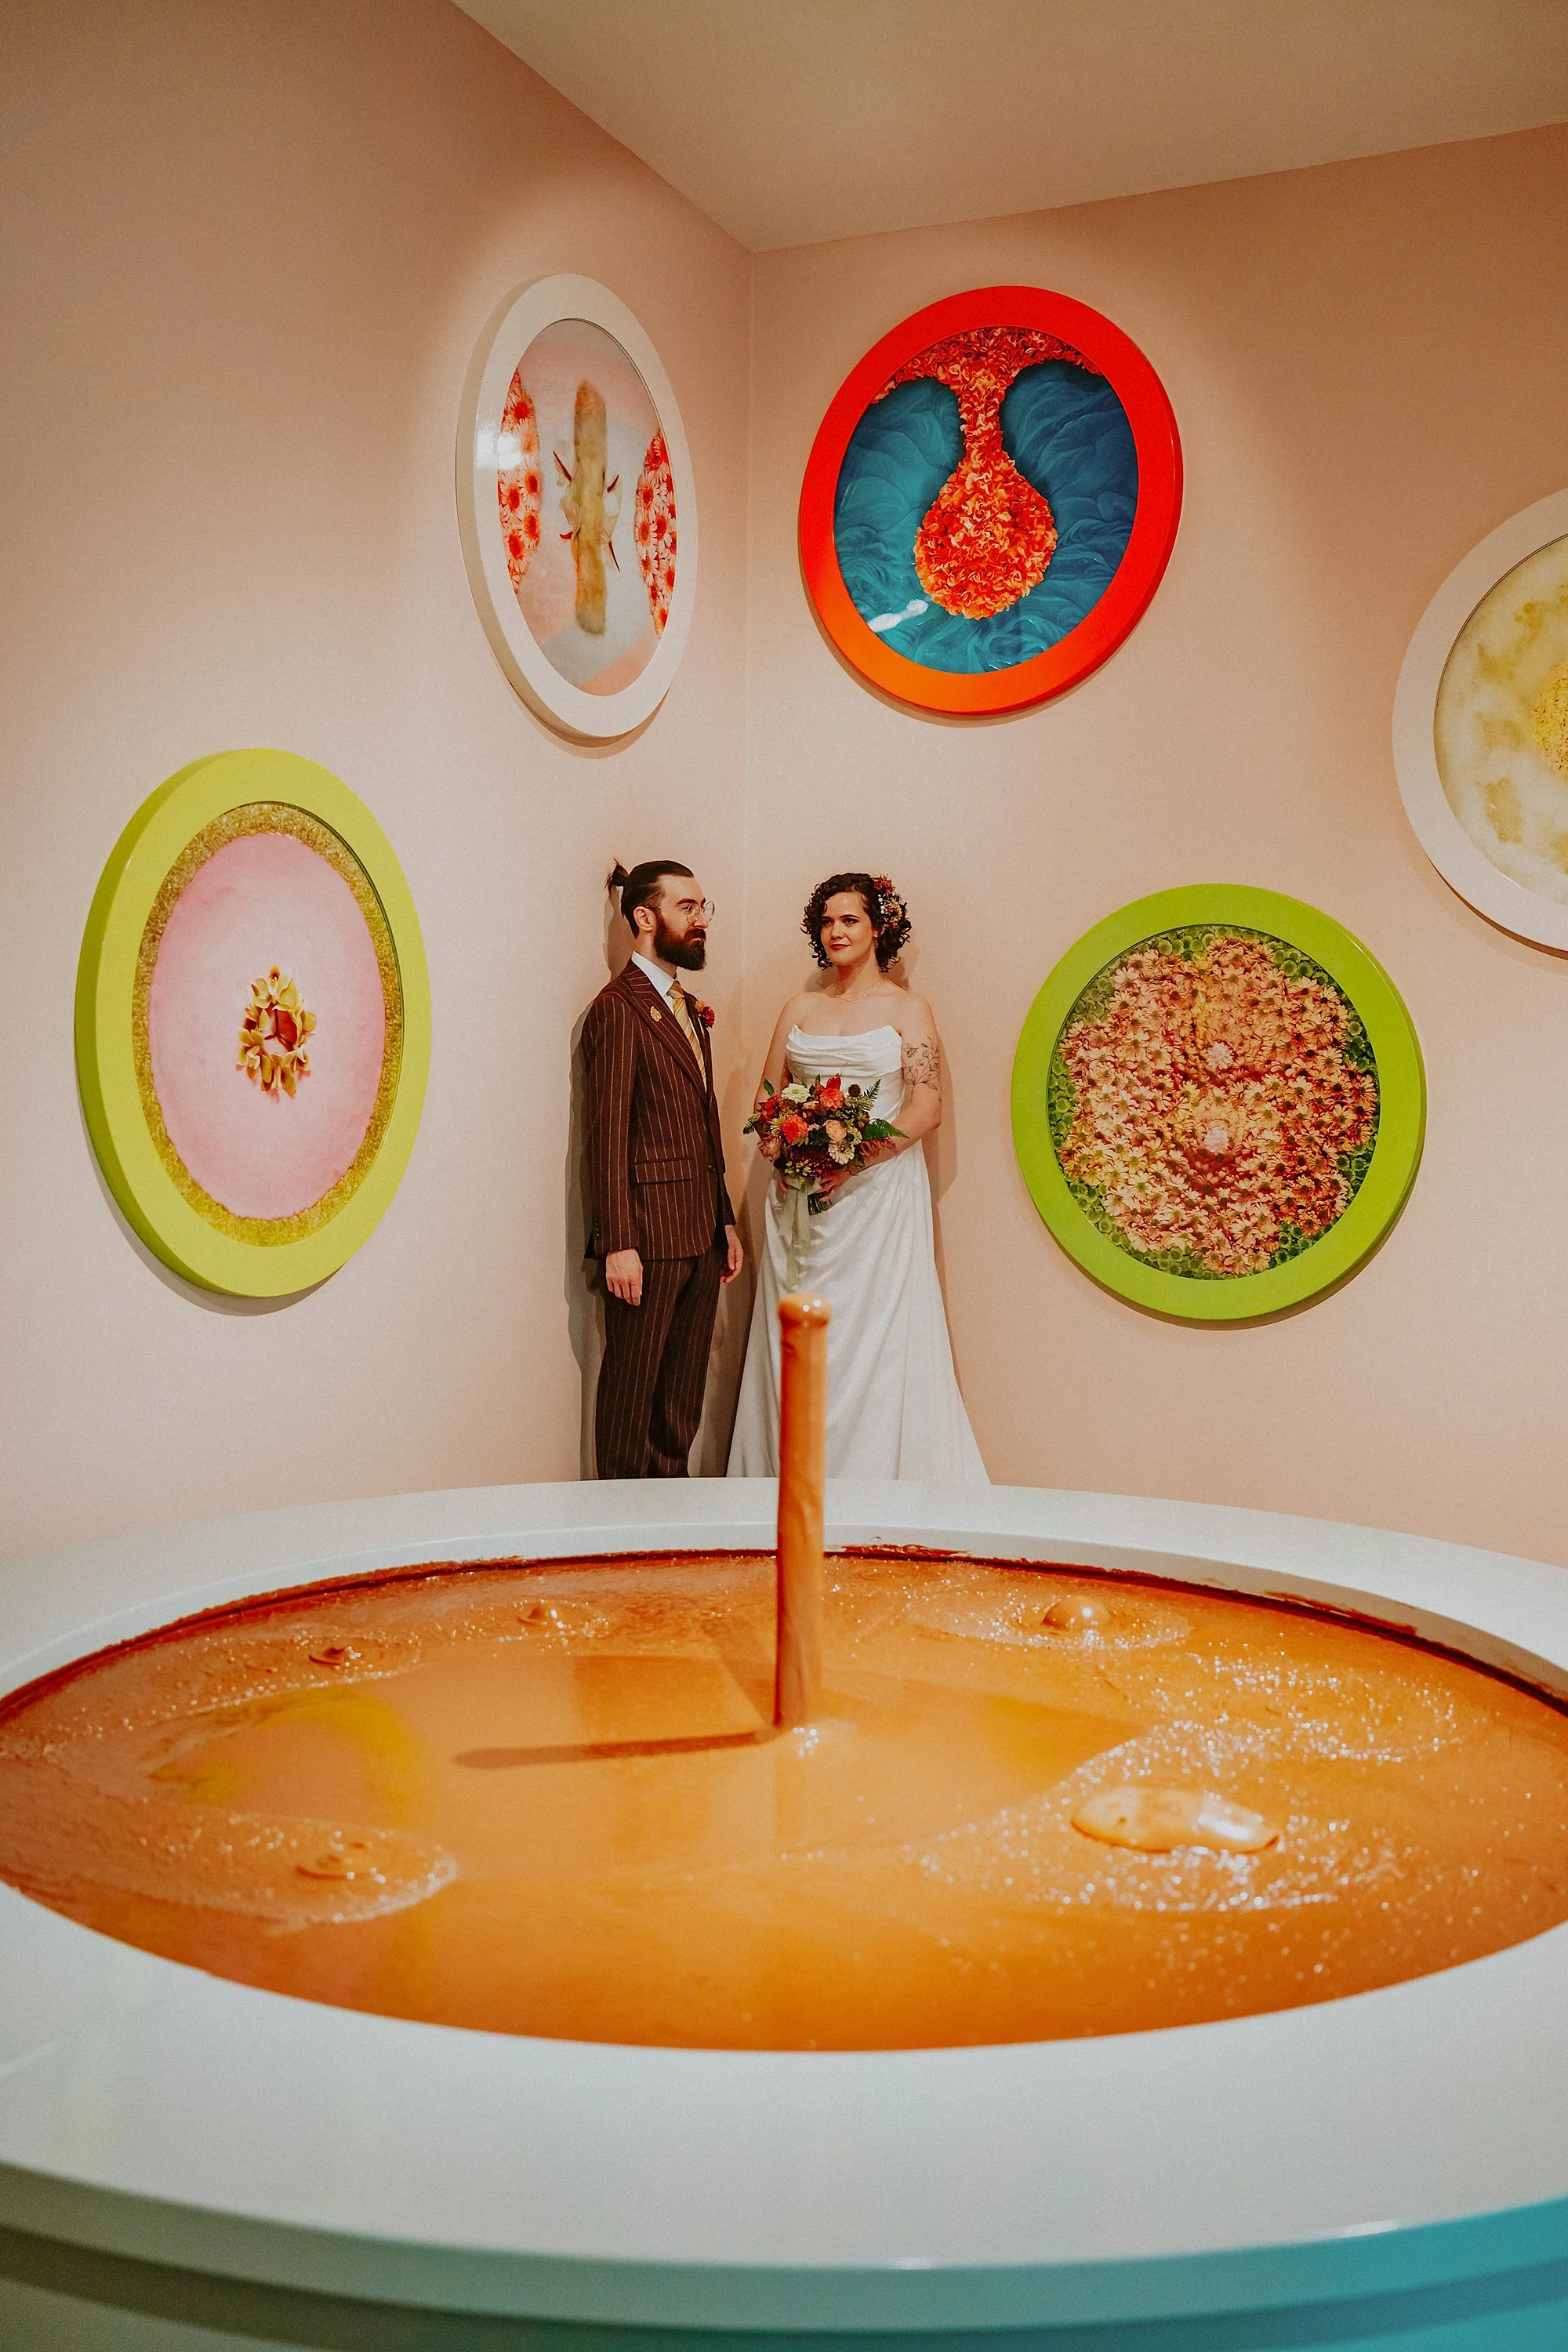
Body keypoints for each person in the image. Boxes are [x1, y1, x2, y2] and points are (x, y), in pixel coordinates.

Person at [727, 873, 986, 1483]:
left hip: (876, 1197)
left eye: (849, 920)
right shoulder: (801, 1008)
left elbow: (926, 1108)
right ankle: (788, 1483)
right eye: (827, 922)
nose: (836, 932)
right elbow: (768, 1101)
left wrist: (851, 1161)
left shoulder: (908, 1010)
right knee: (798, 1336)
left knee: (870, 1338)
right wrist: (784, 1149)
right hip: (799, 1199)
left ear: (879, 928)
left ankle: (870, 1486)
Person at [583, 861, 744, 1477]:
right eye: (687, 908)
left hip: (700, 1235)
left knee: (679, 1408)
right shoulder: (619, 1009)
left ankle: (668, 1539)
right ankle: (619, 1543)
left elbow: (703, 1124)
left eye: (704, 908)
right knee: (630, 1401)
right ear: (644, 919)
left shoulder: (688, 1008)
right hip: (646, 1240)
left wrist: (723, 1220)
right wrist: (618, 1242)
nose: (701, 921)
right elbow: (608, 1137)